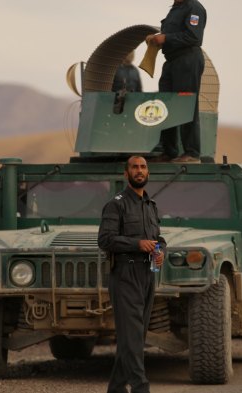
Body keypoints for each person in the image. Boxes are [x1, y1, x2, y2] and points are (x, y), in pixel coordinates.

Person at [98, 155, 166, 393]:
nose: (140, 170)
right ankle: (141, 388)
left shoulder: (151, 206)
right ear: (125, 174)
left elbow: (158, 239)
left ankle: (116, 388)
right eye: (135, 167)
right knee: (133, 339)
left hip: (148, 275)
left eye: (143, 167)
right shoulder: (116, 204)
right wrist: (137, 244)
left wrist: (161, 251)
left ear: (148, 173)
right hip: (125, 276)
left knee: (134, 337)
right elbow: (105, 240)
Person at [146, 0, 207, 163]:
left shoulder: (194, 8)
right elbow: (170, 33)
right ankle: (169, 151)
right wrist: (156, 38)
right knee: (165, 104)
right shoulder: (175, 9)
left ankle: (192, 153)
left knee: (186, 105)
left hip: (187, 60)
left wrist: (167, 38)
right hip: (171, 61)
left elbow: (194, 37)